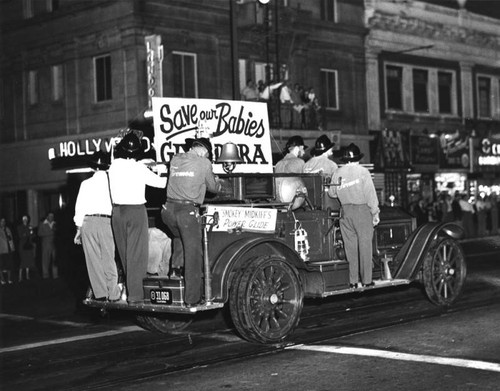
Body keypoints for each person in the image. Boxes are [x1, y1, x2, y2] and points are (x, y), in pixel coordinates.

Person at [161, 137, 222, 307]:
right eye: (208, 155)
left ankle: (174, 276)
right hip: (186, 213)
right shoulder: (204, 163)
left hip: (168, 212)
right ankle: (192, 298)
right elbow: (213, 188)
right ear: (204, 152)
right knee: (194, 254)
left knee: (179, 238)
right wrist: (218, 183)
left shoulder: (175, 159)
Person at [109, 132, 167, 304]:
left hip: (117, 212)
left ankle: (128, 288)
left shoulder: (114, 166)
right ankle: (136, 295)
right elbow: (161, 183)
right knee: (137, 253)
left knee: (124, 252)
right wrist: (162, 170)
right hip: (135, 211)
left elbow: (119, 159)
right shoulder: (140, 168)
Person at [328, 143, 380, 288]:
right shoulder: (363, 172)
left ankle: (353, 281)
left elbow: (332, 193)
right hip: (362, 211)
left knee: (350, 248)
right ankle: (367, 281)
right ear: (358, 158)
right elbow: (370, 195)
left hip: (345, 212)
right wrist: (375, 212)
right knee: (365, 246)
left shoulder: (338, 172)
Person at [73, 151, 123, 302]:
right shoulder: (113, 183)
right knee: (109, 258)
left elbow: (79, 207)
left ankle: (100, 295)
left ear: (93, 168)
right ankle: (114, 294)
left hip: (88, 223)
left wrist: (78, 229)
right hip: (106, 222)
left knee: (93, 261)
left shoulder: (85, 184)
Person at [16, 215, 36, 281]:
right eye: (24, 219)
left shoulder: (29, 226)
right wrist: (28, 233)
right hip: (22, 246)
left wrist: (30, 231)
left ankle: (27, 276)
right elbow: (21, 235)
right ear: (22, 220)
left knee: (28, 260)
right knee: (22, 260)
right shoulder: (19, 227)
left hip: (28, 245)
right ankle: (20, 276)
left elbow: (32, 235)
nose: (25, 220)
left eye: (26, 219)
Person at [38, 212, 57, 279]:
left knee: (55, 259)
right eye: (50, 216)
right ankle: (45, 274)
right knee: (45, 260)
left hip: (54, 244)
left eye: (52, 216)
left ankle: (55, 275)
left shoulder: (55, 224)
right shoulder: (43, 224)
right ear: (47, 217)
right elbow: (39, 233)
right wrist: (49, 232)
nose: (51, 217)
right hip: (45, 244)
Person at [0, 217, 15, 284]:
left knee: (9, 265)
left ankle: (9, 279)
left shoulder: (8, 229)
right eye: (2, 221)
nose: (3, 223)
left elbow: (11, 238)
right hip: (1, 250)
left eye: (4, 221)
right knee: (1, 265)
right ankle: (2, 279)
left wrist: (12, 248)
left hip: (9, 249)